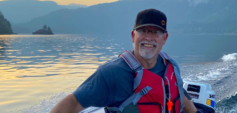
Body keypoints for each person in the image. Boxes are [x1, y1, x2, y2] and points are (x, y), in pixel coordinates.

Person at [50, 9, 197, 113]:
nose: (149, 38)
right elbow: (74, 102)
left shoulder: (170, 65)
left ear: (165, 38)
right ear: (133, 36)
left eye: (156, 32)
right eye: (143, 31)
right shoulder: (111, 73)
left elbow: (177, 90)